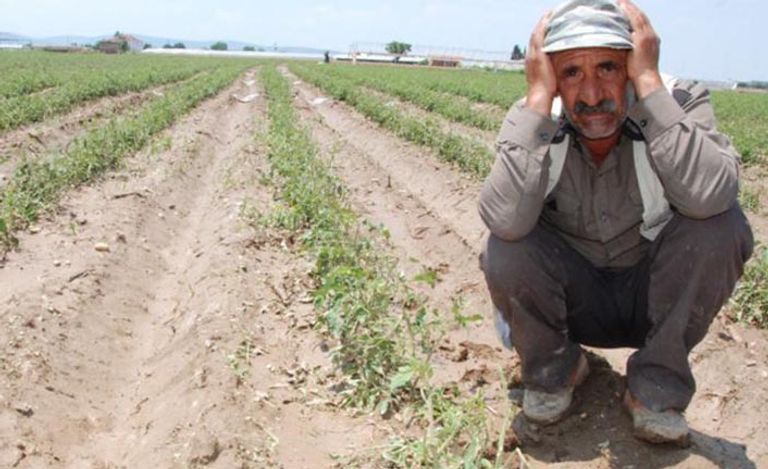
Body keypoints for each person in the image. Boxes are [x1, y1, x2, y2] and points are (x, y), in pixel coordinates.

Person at [479, 0, 753, 446]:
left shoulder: (678, 102)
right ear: (549, 76)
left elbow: (710, 196)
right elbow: (504, 221)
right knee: (506, 246)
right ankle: (556, 369)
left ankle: (655, 389)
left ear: (634, 62)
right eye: (571, 73)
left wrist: (649, 85)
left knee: (721, 227)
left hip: (654, 298)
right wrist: (535, 102)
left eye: (608, 67)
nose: (591, 95)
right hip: (575, 301)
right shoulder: (536, 119)